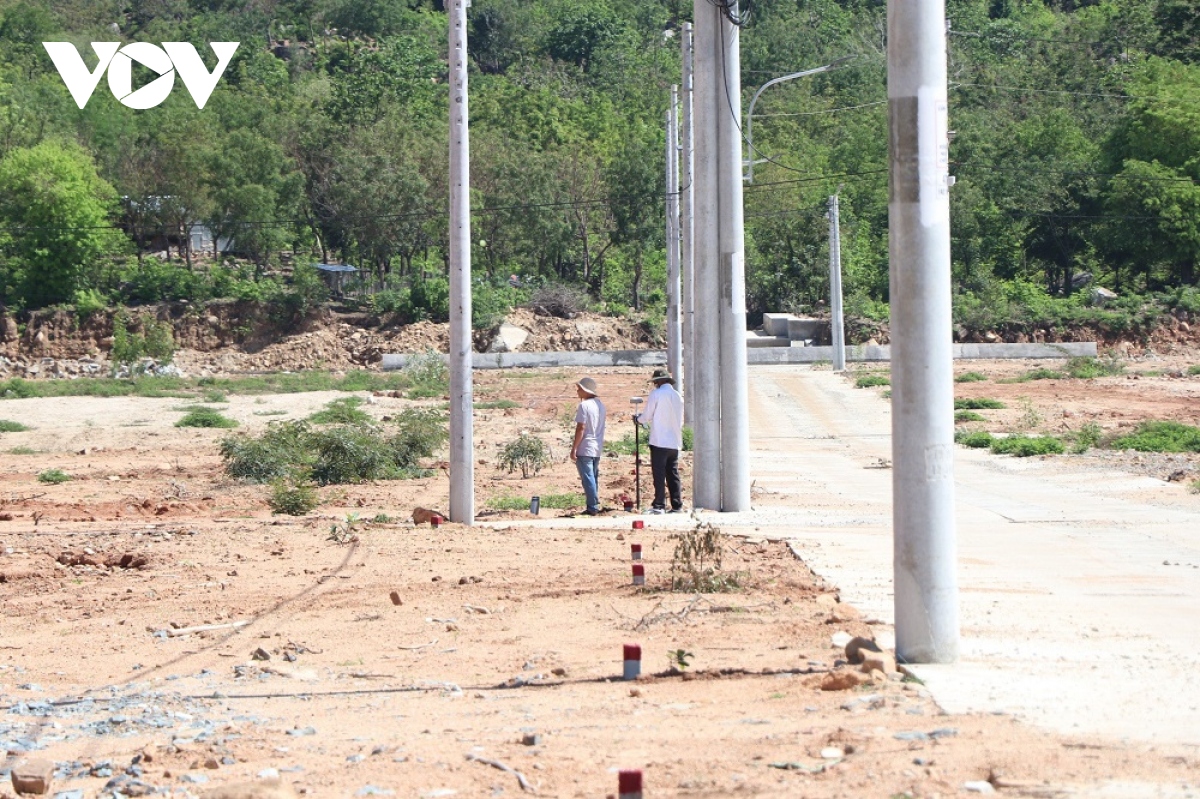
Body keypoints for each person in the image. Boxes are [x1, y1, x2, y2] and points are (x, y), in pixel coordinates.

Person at [639, 368, 684, 514]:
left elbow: (647, 415)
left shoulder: (657, 394)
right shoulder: (677, 396)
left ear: (659, 381)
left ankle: (659, 504)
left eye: (655, 382)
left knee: (659, 474)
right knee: (673, 473)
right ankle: (677, 505)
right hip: (674, 441)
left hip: (659, 440)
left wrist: (638, 419)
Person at [570, 376, 606, 516]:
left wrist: (574, 448)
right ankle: (593, 504)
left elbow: (581, 428)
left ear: (585, 390)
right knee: (593, 476)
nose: (577, 392)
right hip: (597, 446)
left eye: (579, 389)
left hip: (586, 446)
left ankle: (592, 506)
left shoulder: (584, 406)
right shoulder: (600, 405)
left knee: (588, 477)